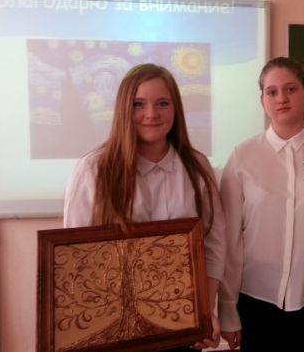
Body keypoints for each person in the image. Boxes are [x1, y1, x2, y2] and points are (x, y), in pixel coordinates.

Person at [63, 63, 225, 351]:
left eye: (162, 103)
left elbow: (213, 245)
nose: (151, 114)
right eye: (139, 104)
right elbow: (77, 259)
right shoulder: (93, 169)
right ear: (124, 109)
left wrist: (204, 311)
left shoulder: (197, 166)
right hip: (114, 328)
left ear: (176, 109)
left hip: (180, 324)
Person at [218, 57, 304, 352]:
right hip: (257, 303)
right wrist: (227, 308)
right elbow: (229, 241)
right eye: (272, 92)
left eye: (290, 89)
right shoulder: (242, 156)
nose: (281, 98)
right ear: (262, 100)